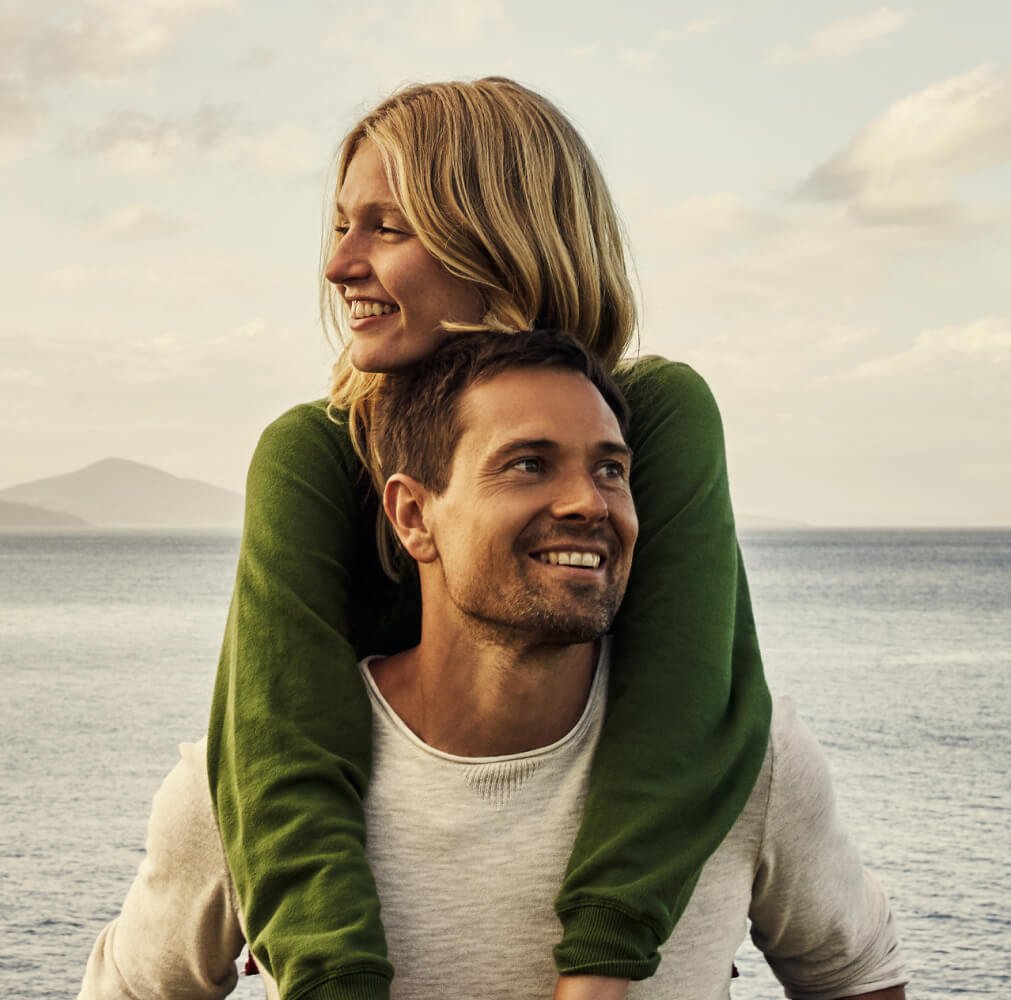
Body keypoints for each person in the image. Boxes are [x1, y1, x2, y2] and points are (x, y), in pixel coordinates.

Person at [80, 331, 907, 1000]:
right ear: (414, 515)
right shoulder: (247, 788)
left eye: (612, 470)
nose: (590, 502)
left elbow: (857, 976)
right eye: (528, 464)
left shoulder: (746, 762)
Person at [207, 77, 773, 1000]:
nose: (339, 264)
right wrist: (325, 968)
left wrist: (600, 969)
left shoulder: (656, 415)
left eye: (386, 229)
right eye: (341, 226)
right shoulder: (313, 456)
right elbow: (281, 754)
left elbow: (685, 702)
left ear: (503, 238)